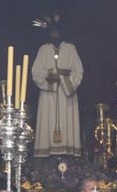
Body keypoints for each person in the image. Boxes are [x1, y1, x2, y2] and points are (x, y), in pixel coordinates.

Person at [31, 11, 85, 156]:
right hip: (48, 94)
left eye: (57, 30)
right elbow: (36, 73)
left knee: (68, 122)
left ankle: (68, 154)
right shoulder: (43, 49)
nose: (54, 33)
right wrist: (53, 77)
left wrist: (64, 81)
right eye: (52, 30)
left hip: (66, 93)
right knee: (47, 121)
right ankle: (46, 155)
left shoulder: (70, 48)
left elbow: (78, 71)